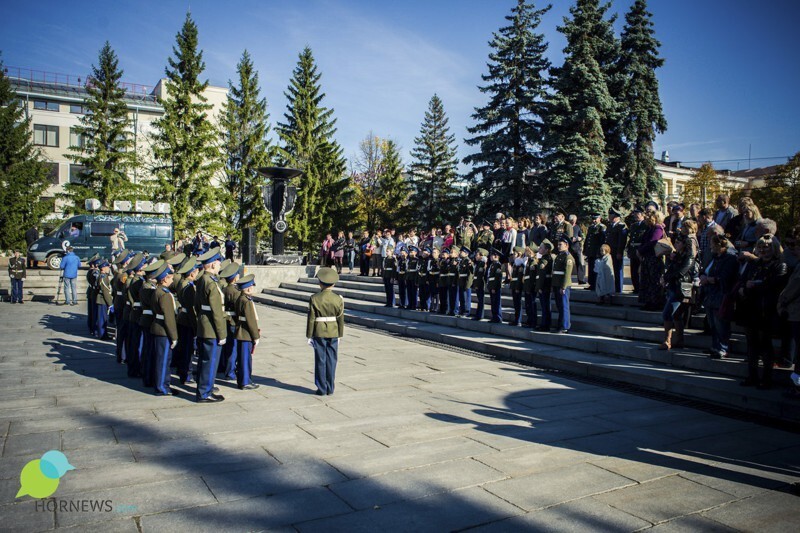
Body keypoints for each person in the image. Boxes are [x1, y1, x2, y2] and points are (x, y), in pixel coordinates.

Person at [737, 235, 788, 389]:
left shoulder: (780, 265)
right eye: (760, 247)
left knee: (765, 346)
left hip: (767, 310)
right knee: (751, 345)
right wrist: (746, 288)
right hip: (751, 308)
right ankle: (752, 376)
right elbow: (743, 281)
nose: (763, 250)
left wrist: (754, 286)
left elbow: (774, 286)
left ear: (774, 248)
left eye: (766, 247)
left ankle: (766, 379)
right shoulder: (754, 264)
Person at [194, 248, 227, 403]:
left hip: (203, 324)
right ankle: (205, 392)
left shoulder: (202, 279)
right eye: (219, 263)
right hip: (212, 328)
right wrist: (222, 334)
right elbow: (217, 312)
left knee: (204, 359)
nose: (220, 265)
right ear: (213, 264)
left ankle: (205, 387)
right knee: (210, 360)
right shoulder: (212, 283)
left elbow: (197, 305)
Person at [699, 235, 738, 359]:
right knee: (712, 323)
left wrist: (709, 279)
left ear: (719, 245)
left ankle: (723, 347)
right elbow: (704, 270)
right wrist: (702, 277)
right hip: (709, 294)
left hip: (721, 295)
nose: (710, 246)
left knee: (721, 323)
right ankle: (715, 346)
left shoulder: (730, 259)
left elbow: (725, 278)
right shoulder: (714, 257)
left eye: (712, 244)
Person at [307, 267, 344, 395]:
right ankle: (330, 387)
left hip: (319, 331)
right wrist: (340, 334)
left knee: (320, 359)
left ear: (320, 283)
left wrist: (309, 335)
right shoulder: (338, 298)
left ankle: (321, 388)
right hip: (333, 331)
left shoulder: (314, 298)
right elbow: (340, 318)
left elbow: (311, 318)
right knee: (332, 360)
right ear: (333, 284)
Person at [659, 235, 695, 350]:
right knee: (676, 315)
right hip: (673, 287)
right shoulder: (677, 255)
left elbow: (681, 272)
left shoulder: (689, 256)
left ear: (685, 244)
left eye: (679, 242)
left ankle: (667, 340)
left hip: (681, 289)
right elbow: (670, 269)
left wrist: (668, 277)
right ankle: (679, 341)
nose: (676, 244)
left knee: (667, 313)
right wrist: (665, 278)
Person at [150, 263, 180, 396]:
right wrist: (174, 337)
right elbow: (169, 318)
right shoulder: (165, 295)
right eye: (170, 277)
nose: (172, 280)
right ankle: (162, 386)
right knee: (163, 360)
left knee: (161, 358)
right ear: (165, 279)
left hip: (157, 327)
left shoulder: (157, 291)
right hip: (163, 331)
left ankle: (163, 384)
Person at [777, 226, 800, 396]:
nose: (793, 249)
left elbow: (793, 287)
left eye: (796, 245)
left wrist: (782, 301)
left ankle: (797, 386)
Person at [175, 258, 201, 384]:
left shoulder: (182, 282)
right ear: (192, 273)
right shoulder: (189, 286)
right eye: (196, 272)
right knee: (188, 349)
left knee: (184, 347)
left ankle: (183, 371)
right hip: (187, 320)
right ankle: (187, 374)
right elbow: (191, 309)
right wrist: (195, 326)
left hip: (182, 318)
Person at [234, 274, 260, 390]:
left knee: (242, 358)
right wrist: (256, 336)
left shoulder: (240, 298)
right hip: (246, 333)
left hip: (240, 330)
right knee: (245, 359)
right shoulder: (247, 301)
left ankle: (243, 380)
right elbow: (251, 321)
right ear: (249, 288)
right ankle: (245, 381)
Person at [637, 210, 667, 311]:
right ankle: (648, 302)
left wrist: (641, 250)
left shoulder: (658, 228)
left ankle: (656, 303)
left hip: (654, 258)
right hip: (647, 257)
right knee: (647, 280)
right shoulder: (650, 228)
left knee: (654, 281)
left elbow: (652, 242)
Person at [219, 262, 241, 381]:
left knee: (226, 347)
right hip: (233, 321)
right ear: (235, 277)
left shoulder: (225, 289)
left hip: (225, 320)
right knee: (233, 349)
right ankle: (230, 372)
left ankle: (225, 368)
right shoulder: (236, 291)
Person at [551, 236, 575, 333]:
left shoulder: (568, 257)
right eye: (558, 244)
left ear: (567, 245)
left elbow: (567, 274)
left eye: (561, 245)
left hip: (562, 285)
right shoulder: (560, 255)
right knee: (560, 306)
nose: (559, 246)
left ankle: (565, 326)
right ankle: (560, 325)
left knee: (564, 306)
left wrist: (563, 286)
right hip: (557, 284)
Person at [606, 208, 628, 293]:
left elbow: (621, 241)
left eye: (610, 215)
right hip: (609, 252)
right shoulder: (610, 225)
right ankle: (612, 287)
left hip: (616, 251)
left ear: (615, 217)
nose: (609, 216)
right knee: (610, 270)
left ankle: (619, 289)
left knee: (618, 270)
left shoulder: (621, 226)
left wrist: (619, 252)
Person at [584, 214, 606, 292]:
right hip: (591, 251)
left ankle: (596, 284)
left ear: (599, 219)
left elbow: (601, 240)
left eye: (595, 219)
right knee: (591, 268)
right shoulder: (591, 227)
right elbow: (588, 239)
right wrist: (585, 250)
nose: (594, 220)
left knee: (596, 268)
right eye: (593, 219)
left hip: (596, 251)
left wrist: (600, 252)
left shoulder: (601, 227)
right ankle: (591, 284)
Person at [536, 240, 555, 332]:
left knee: (545, 306)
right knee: (544, 306)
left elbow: (543, 275)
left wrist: (539, 287)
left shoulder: (545, 259)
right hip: (545, 285)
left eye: (541, 247)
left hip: (545, 285)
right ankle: (544, 324)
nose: (539, 249)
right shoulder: (545, 258)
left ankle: (545, 325)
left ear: (547, 250)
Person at [627, 209, 647, 294]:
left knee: (641, 271)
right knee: (633, 271)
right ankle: (636, 287)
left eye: (637, 214)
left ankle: (642, 288)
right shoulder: (633, 226)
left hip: (641, 250)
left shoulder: (645, 225)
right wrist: (628, 249)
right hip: (633, 250)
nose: (635, 215)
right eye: (634, 214)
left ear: (642, 214)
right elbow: (631, 238)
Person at [95, 260, 114, 340]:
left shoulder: (103, 275)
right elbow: (105, 291)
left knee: (103, 318)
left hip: (101, 299)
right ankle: (102, 334)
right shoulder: (103, 277)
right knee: (102, 318)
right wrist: (110, 303)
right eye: (107, 267)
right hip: (102, 300)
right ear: (103, 268)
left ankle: (103, 333)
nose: (108, 268)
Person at [486, 249, 504, 323]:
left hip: (495, 287)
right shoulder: (492, 265)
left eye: (492, 255)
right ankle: (494, 316)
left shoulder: (497, 265)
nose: (490, 257)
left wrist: (493, 287)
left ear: (496, 256)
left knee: (496, 302)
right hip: (491, 286)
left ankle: (498, 317)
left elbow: (497, 278)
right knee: (493, 302)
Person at [522, 246, 538, 328]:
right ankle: (529, 320)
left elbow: (532, 277)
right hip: (527, 286)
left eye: (527, 251)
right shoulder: (529, 261)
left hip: (530, 287)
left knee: (531, 305)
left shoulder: (533, 262)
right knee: (528, 305)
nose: (525, 252)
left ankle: (533, 321)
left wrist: (529, 288)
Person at [456, 246, 474, 318]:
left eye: (462, 252)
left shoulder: (468, 261)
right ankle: (462, 310)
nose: (460, 253)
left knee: (466, 297)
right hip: (460, 281)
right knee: (462, 297)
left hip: (465, 281)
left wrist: (468, 284)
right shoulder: (461, 261)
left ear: (466, 254)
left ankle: (467, 311)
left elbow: (470, 273)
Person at [569, 215, 586, 284]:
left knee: (579, 263)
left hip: (576, 247)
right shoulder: (567, 226)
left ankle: (581, 279)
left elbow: (581, 236)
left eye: (574, 220)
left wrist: (580, 238)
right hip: (569, 248)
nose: (573, 222)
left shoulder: (577, 227)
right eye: (572, 220)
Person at [472, 248, 487, 321]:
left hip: (480, 284)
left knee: (481, 300)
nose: (475, 256)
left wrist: (477, 285)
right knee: (479, 300)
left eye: (477, 255)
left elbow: (480, 276)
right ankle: (478, 314)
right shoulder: (478, 263)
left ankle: (480, 315)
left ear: (481, 256)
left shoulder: (482, 264)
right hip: (477, 283)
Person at [406, 246, 420, 310]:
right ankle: (410, 304)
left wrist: (417, 279)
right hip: (408, 277)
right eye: (409, 252)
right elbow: (407, 269)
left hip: (414, 277)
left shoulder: (417, 260)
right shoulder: (408, 260)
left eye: (412, 252)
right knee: (409, 291)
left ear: (415, 252)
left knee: (414, 292)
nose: (410, 253)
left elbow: (417, 270)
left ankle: (414, 305)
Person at [437, 248, 451, 314]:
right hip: (441, 280)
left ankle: (446, 309)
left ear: (448, 255)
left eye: (444, 254)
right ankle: (441, 308)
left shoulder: (448, 261)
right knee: (441, 296)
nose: (443, 255)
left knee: (446, 296)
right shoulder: (441, 261)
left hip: (446, 280)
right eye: (442, 254)